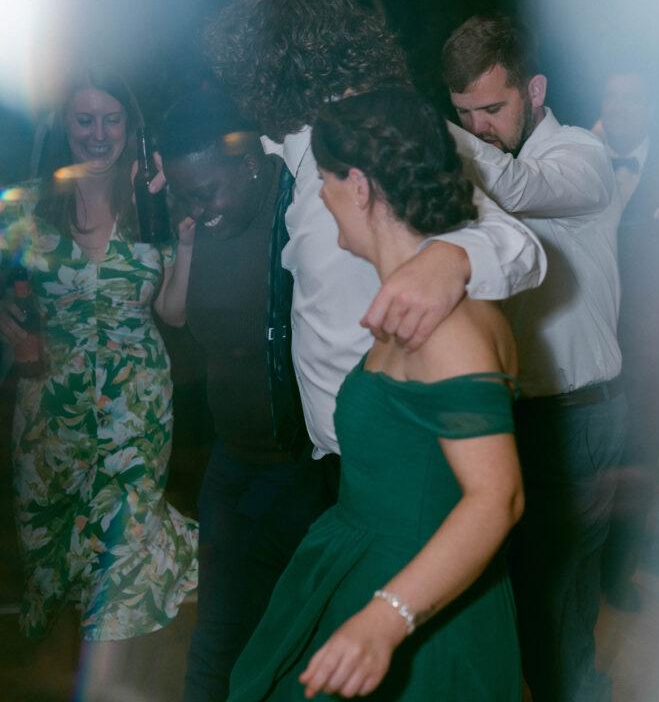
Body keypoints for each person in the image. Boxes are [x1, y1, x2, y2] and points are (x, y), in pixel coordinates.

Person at [200, 0, 544, 638]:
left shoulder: (383, 134)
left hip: (394, 464)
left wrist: (455, 258)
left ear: (266, 70)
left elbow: (522, 245)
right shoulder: (288, 142)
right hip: (325, 469)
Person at [229, 86, 524, 702]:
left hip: (414, 597)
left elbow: (498, 498)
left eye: (325, 180)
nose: (322, 197)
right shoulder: (417, 303)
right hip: (367, 564)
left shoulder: (444, 326)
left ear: (358, 187)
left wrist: (386, 619)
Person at [442, 13, 626, 702]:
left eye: (493, 108)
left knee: (548, 603)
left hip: (579, 419)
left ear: (536, 90)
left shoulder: (583, 155)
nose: (481, 126)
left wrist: (440, 134)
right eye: (463, 113)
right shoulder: (476, 172)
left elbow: (519, 190)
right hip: (514, 413)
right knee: (547, 605)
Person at [0, 68, 198, 644]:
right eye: (84, 118)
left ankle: (113, 662)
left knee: (124, 538)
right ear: (65, 125)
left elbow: (176, 313)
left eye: (111, 119)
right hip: (48, 402)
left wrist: (185, 245)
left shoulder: (152, 200)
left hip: (135, 400)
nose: (98, 132)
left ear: (129, 125)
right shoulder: (28, 206)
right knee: (46, 532)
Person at [156, 88, 309, 702]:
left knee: (301, 649)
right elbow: (184, 312)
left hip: (307, 477)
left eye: (205, 191)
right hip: (232, 467)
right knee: (215, 647)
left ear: (249, 162)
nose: (195, 207)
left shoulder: (302, 207)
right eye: (182, 192)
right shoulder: (197, 217)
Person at [596, 69, 659, 610]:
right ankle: (602, 575)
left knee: (648, 456)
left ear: (649, 110)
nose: (619, 109)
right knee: (611, 462)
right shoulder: (582, 158)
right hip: (597, 339)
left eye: (631, 101)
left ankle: (621, 574)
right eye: (612, 97)